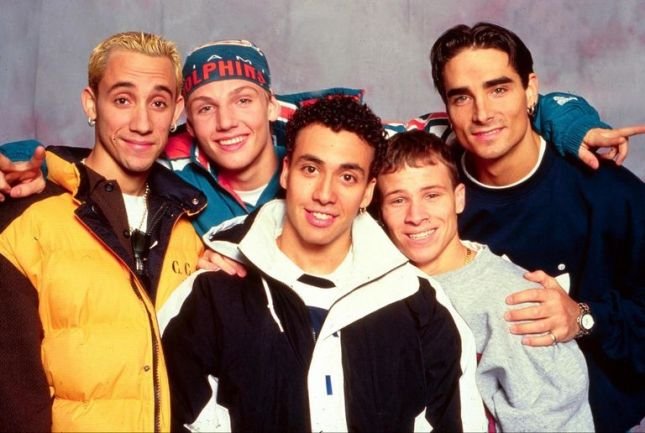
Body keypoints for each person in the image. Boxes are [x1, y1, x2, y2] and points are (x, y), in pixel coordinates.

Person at [162, 96, 471, 432]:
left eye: (347, 177)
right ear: (286, 172)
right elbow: (166, 418)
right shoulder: (210, 294)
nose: (325, 194)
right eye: (311, 169)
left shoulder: (421, 303)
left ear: (368, 192)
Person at [430, 22, 645, 432]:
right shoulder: (430, 203)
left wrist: (584, 317)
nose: (482, 113)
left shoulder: (607, 193)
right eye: (462, 97)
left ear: (530, 90)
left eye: (498, 89)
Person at [0, 31, 205, 431]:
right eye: (123, 100)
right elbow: (13, 395)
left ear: (177, 111)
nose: (142, 123)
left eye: (158, 103)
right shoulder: (27, 218)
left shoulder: (192, 225)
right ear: (91, 104)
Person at [374, 129, 594, 431]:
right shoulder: (378, 285)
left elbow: (552, 419)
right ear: (379, 210)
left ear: (458, 198)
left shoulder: (512, 300)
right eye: (398, 200)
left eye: (432, 195)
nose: (416, 215)